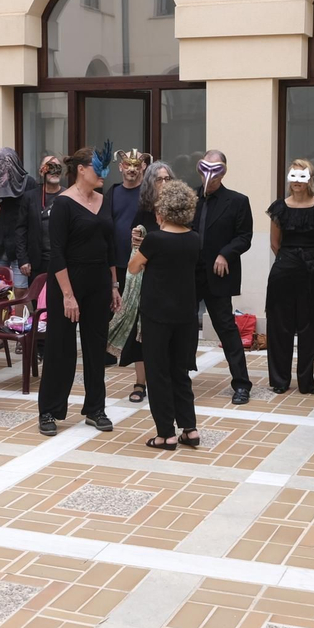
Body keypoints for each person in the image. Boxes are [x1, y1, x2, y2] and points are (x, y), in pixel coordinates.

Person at [39, 147, 121, 436]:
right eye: (99, 168)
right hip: (67, 282)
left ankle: (95, 408)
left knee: (95, 348)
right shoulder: (63, 204)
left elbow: (109, 246)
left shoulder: (104, 199)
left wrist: (113, 284)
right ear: (82, 169)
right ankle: (49, 410)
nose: (104, 174)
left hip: (99, 281)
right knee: (60, 348)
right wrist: (68, 295)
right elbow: (57, 252)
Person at [129, 179, 203, 450]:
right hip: (185, 316)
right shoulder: (194, 239)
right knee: (179, 372)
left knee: (158, 373)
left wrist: (139, 247)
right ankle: (190, 429)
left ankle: (165, 434)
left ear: (162, 210)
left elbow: (134, 268)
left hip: (157, 316)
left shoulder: (155, 240)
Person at [265, 160, 314, 394]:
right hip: (284, 272)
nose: (296, 182)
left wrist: (313, 261)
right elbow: (275, 244)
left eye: (302, 176)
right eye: (293, 176)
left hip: (313, 272)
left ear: (310, 179)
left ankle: (306, 381)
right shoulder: (279, 208)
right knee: (279, 326)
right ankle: (279, 380)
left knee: (310, 326)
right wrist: (290, 261)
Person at [193, 151, 254, 406]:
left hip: (219, 275)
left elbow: (244, 236)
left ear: (224, 171)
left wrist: (225, 254)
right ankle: (179, 377)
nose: (210, 176)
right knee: (184, 327)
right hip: (189, 273)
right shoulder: (188, 197)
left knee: (227, 329)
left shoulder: (237, 201)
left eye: (216, 170)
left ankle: (241, 384)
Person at [116, 160, 171, 401]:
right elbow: (135, 245)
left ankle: (166, 377)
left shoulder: (179, 209)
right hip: (147, 276)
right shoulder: (144, 211)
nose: (164, 183)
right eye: (159, 179)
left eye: (168, 178)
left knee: (168, 330)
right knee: (142, 330)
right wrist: (135, 237)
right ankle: (140, 383)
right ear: (150, 182)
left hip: (171, 278)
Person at [0, 147, 36, 289]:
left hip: (21, 249)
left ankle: (18, 313)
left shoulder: (28, 183)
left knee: (21, 290)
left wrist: (25, 253)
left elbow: (32, 217)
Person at [26, 153, 65, 280]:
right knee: (37, 298)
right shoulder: (30, 197)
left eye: (57, 167)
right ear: (41, 172)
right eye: (50, 167)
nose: (54, 171)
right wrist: (23, 259)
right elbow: (21, 228)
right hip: (37, 262)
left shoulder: (69, 196)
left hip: (63, 260)